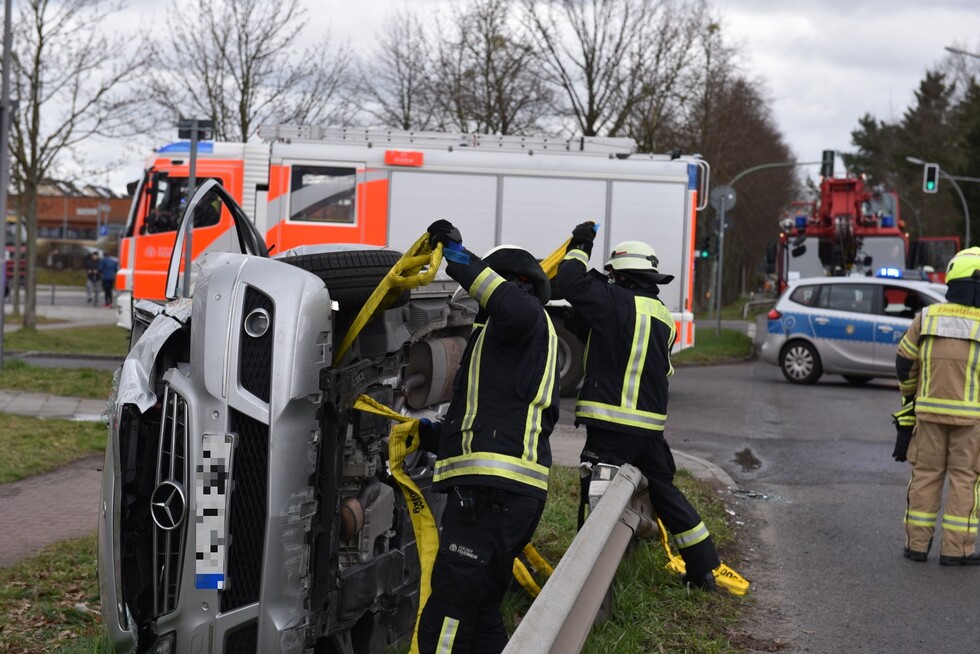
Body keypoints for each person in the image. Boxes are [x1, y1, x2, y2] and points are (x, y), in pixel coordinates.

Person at [416, 220, 559, 654]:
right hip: (504, 496)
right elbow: (486, 426)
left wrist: (455, 254)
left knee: (450, 609)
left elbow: (508, 304)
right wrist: (427, 436)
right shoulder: (510, 341)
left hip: (491, 497)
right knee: (480, 612)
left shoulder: (524, 316)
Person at [556, 221, 721, 591]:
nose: (609, 281)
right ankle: (702, 568)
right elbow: (629, 351)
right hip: (650, 431)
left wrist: (581, 243)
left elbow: (570, 280)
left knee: (598, 499)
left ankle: (591, 582)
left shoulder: (615, 300)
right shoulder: (663, 317)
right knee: (665, 492)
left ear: (624, 277)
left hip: (612, 426)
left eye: (613, 276)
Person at [895, 246, 980, 566]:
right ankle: (955, 551)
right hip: (972, 422)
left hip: (928, 415)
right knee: (965, 480)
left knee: (926, 476)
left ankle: (916, 546)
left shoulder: (927, 317)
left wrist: (911, 397)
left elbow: (904, 363)